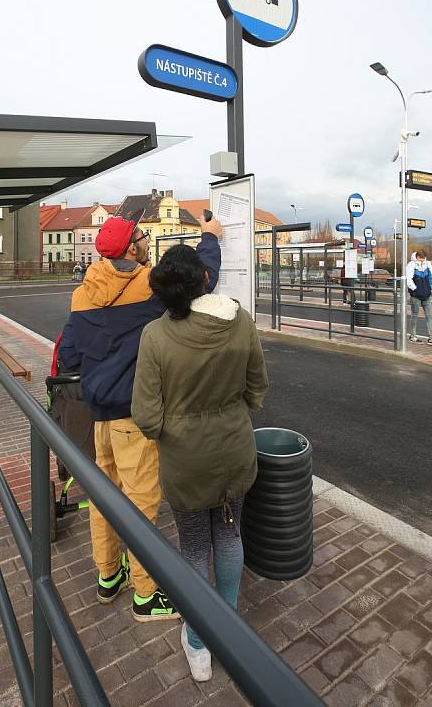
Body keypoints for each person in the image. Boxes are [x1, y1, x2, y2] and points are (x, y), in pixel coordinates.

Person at [59, 210, 222, 621]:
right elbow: (199, 282)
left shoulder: (82, 292)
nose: (147, 241)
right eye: (143, 237)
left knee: (103, 495)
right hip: (133, 415)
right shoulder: (148, 290)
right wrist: (209, 238)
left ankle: (108, 575)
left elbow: (72, 355)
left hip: (99, 416)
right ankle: (147, 596)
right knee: (141, 503)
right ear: (132, 248)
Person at [132, 244, 268, 680]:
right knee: (229, 536)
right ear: (204, 280)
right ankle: (227, 631)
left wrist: (173, 430)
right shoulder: (240, 321)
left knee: (193, 546)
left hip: (185, 461)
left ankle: (197, 643)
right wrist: (235, 409)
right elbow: (257, 386)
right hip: (234, 451)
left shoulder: (155, 336)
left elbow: (147, 416)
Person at [406, 250, 432, 345]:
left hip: (426, 295)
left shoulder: (427, 264)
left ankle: (431, 338)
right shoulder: (411, 265)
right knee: (414, 316)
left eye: (424, 258)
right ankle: (413, 336)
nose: (422, 260)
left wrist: (430, 287)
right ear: (417, 257)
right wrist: (415, 289)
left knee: (429, 316)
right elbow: (409, 279)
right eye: (421, 258)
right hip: (416, 296)